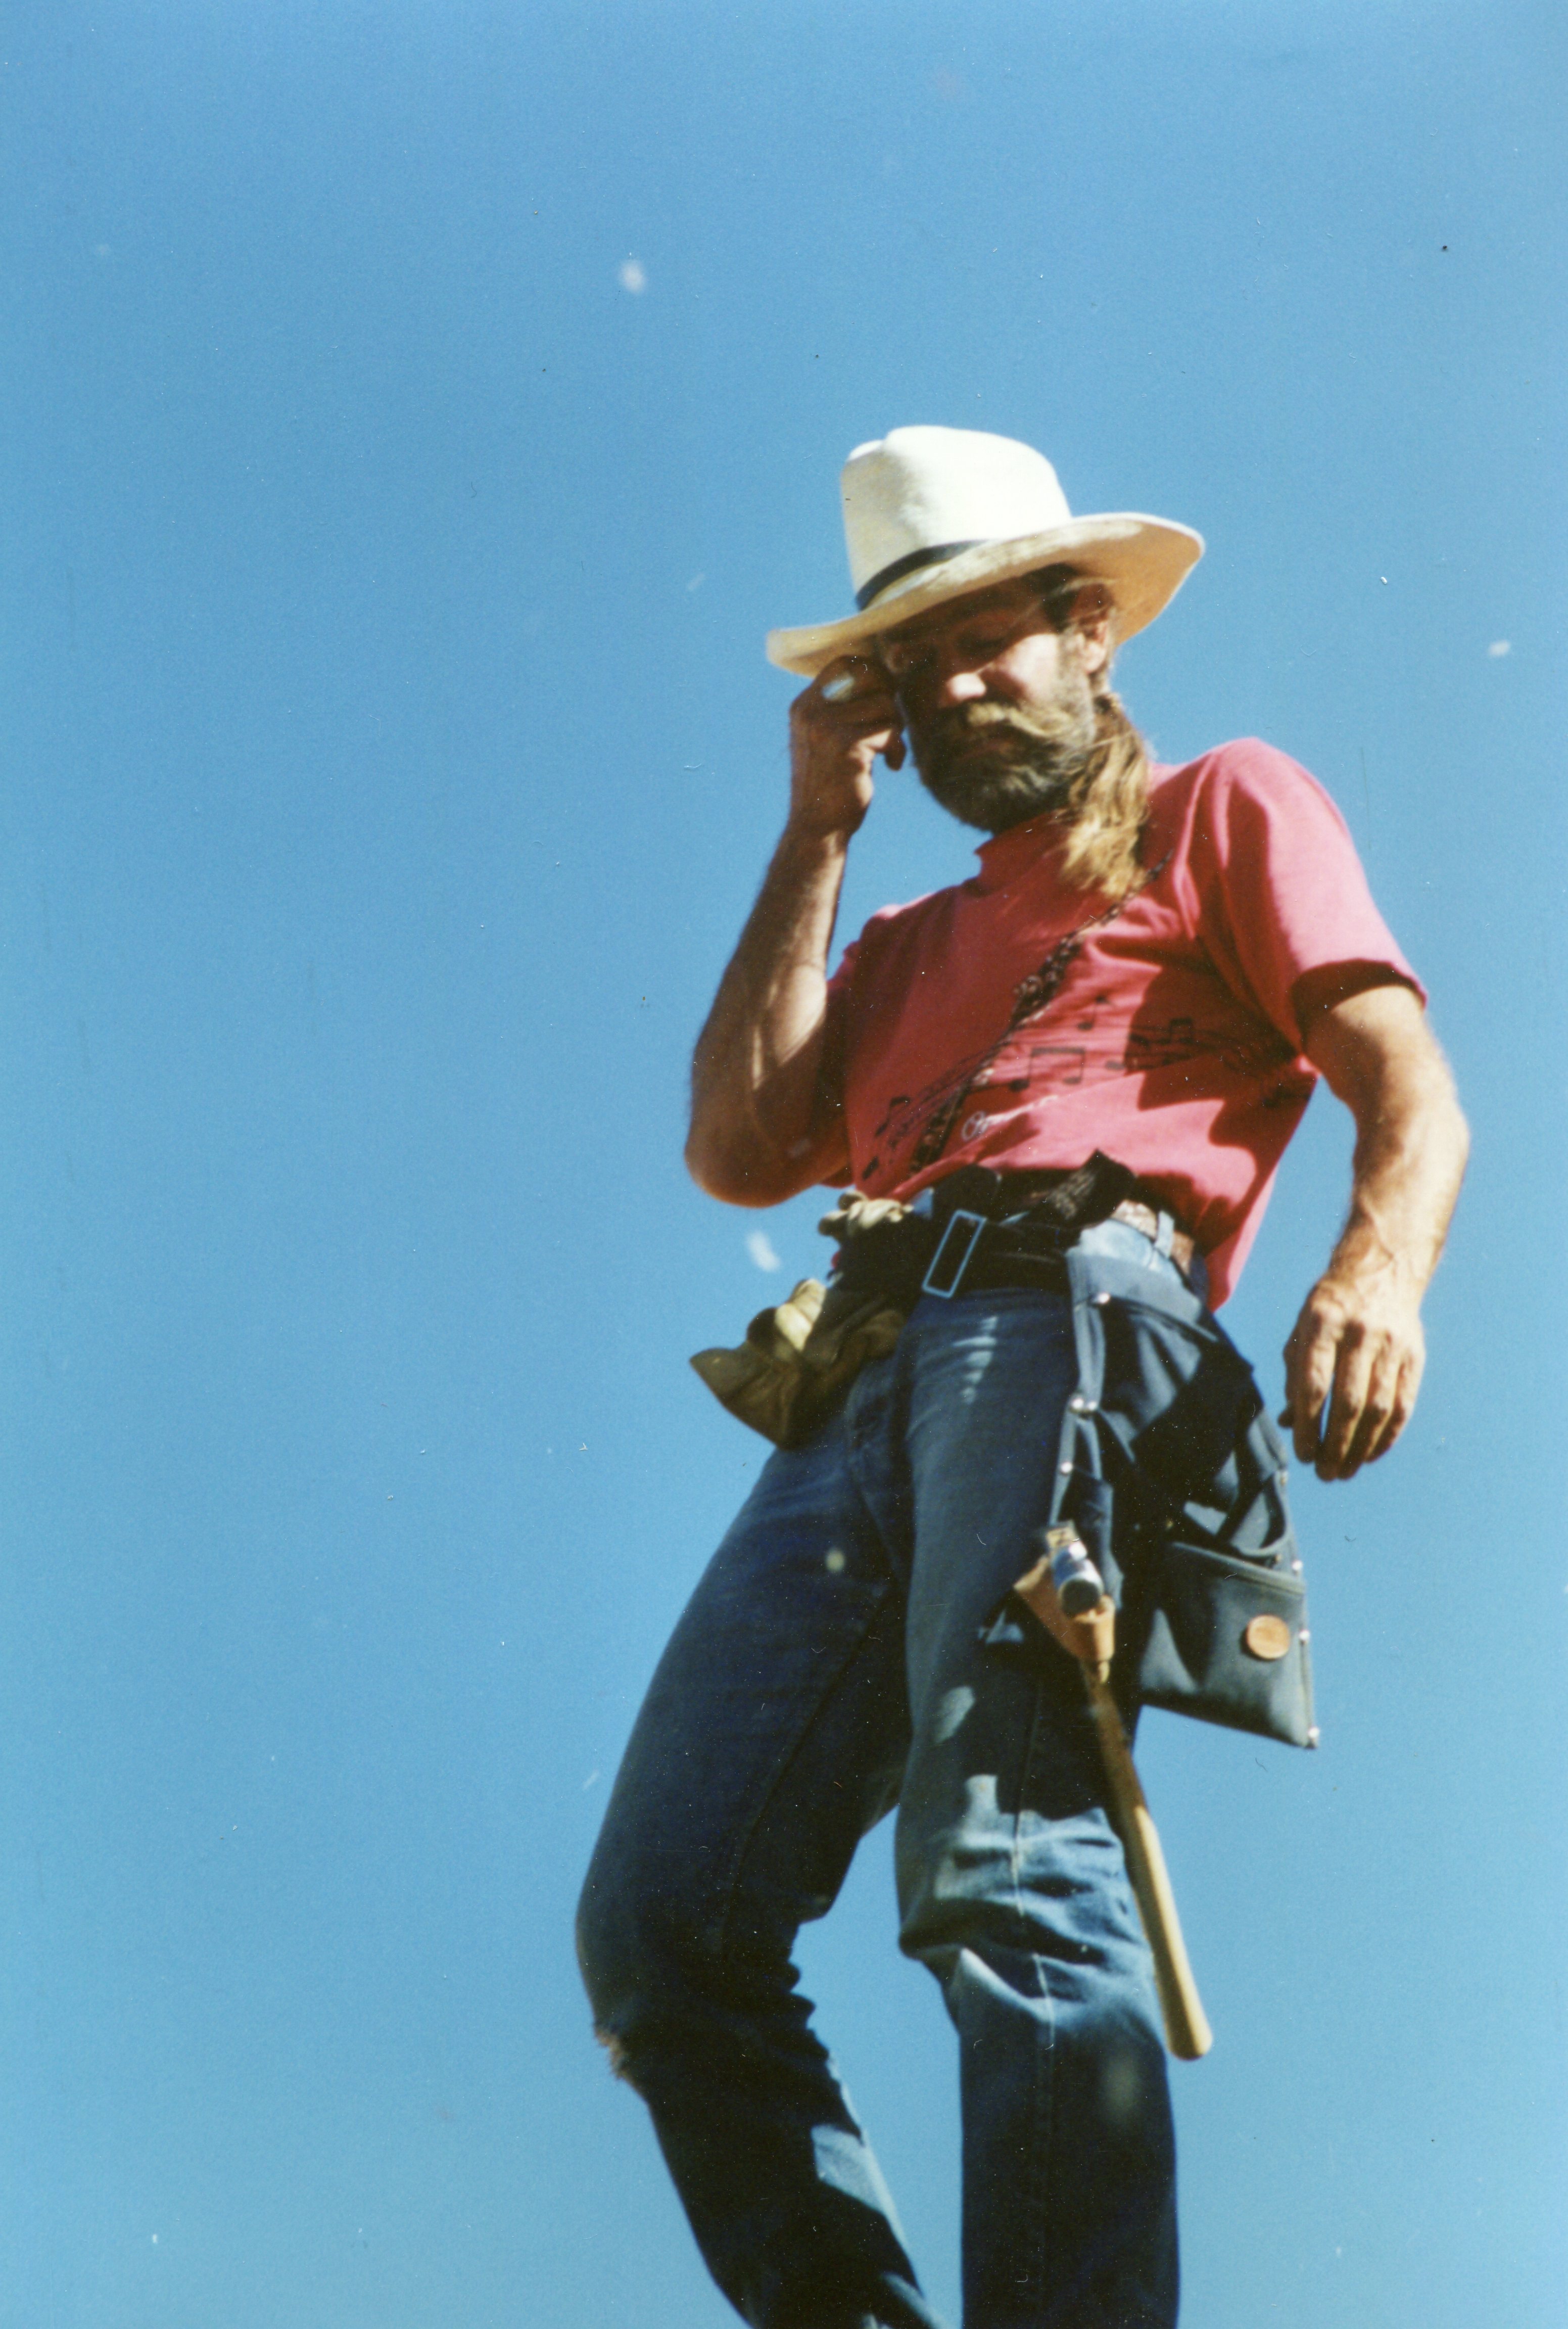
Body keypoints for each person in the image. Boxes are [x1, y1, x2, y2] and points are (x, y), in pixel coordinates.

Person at [576, 426, 1467, 2329]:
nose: (960, 683)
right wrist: (817, 825)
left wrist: (1375, 1267)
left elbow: (1412, 1085)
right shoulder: (898, 936)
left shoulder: (1225, 803)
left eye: (994, 636)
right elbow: (740, 1150)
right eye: (917, 661)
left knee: (1003, 1859)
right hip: (868, 1366)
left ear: (1093, 633)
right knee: (661, 1926)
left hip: (1070, 1309)